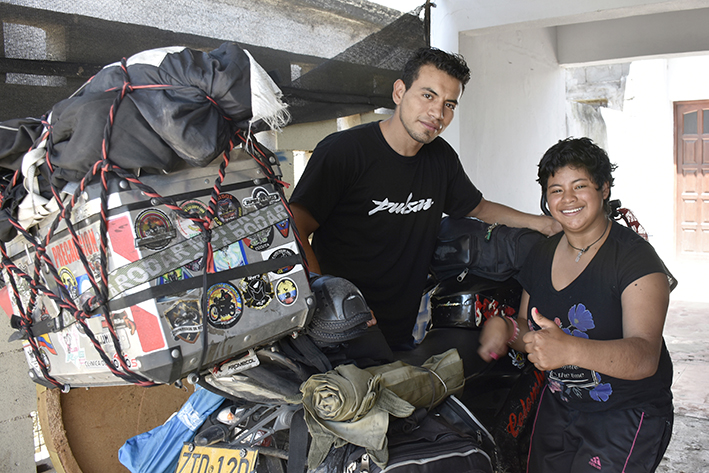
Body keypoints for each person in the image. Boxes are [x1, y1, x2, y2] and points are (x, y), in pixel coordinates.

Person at [290, 47, 560, 350]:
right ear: (399, 92)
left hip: (400, 329)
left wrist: (544, 225)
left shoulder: (441, 159)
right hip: (338, 330)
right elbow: (295, 226)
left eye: (449, 104)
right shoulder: (344, 151)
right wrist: (329, 301)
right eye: (428, 96)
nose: (438, 114)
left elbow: (478, 208)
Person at [478, 137, 674, 472]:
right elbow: (530, 325)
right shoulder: (543, 253)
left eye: (579, 186)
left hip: (626, 412)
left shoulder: (635, 259)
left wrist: (570, 350)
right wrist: (508, 328)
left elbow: (644, 357)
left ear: (604, 189)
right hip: (560, 404)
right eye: (556, 190)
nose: (567, 199)